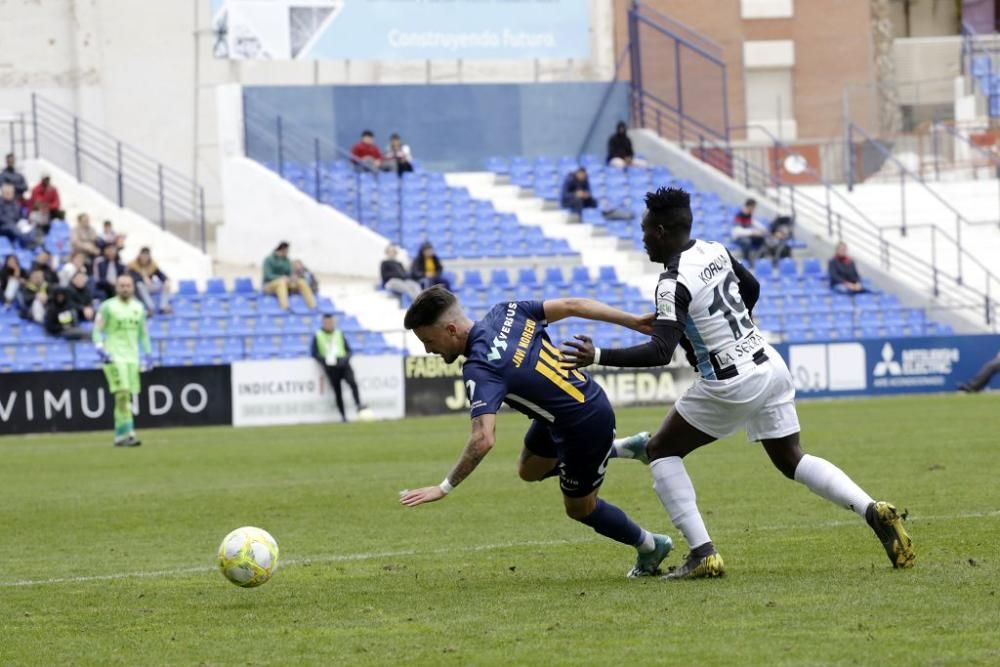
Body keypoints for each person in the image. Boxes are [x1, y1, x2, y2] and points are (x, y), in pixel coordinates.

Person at [558, 187, 915, 578]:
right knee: (791, 457)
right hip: (769, 364)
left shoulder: (671, 282)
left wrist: (598, 356)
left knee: (661, 451)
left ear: (660, 231)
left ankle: (703, 553)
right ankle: (871, 509)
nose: (641, 238)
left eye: (645, 230)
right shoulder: (715, 250)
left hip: (731, 380)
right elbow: (753, 289)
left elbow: (661, 351)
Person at [399, 285, 674, 579]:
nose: (429, 349)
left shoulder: (479, 367)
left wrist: (443, 487)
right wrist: (632, 321)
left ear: (451, 329)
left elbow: (483, 438)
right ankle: (624, 448)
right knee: (529, 470)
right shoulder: (505, 312)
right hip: (564, 412)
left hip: (586, 425)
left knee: (580, 509)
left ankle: (649, 546)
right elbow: (572, 303)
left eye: (428, 340)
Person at [92, 274, 152, 447]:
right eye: (122, 285)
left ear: (133, 287)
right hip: (114, 356)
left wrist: (148, 354)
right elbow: (97, 330)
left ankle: (120, 435)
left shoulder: (139, 308)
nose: (125, 288)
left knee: (125, 396)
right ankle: (129, 433)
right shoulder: (107, 307)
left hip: (133, 357)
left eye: (128, 285)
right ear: (116, 287)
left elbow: (143, 333)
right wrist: (100, 347)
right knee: (123, 393)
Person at [310, 313, 367, 423]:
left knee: (353, 383)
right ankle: (343, 416)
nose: (329, 324)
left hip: (344, 365)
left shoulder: (339, 333)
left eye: (331, 322)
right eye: (327, 322)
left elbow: (349, 350)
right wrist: (324, 361)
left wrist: (344, 359)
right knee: (338, 392)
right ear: (323, 323)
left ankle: (358, 405)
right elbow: (314, 353)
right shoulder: (318, 335)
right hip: (331, 368)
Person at [262, 241, 317, 310]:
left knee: (301, 282)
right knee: (281, 282)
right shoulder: (269, 260)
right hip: (269, 285)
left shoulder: (287, 260)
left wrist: (293, 278)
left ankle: (312, 305)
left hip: (285, 282)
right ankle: (284, 307)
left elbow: (290, 273)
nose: (287, 252)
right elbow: (268, 276)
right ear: (282, 249)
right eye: (286, 250)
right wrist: (281, 277)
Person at [128, 247, 173, 315]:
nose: (145, 257)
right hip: (138, 291)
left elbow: (160, 274)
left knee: (166, 284)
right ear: (140, 255)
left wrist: (166, 280)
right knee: (140, 284)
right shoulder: (133, 265)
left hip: (150, 286)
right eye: (143, 255)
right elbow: (132, 278)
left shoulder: (152, 264)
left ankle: (163, 307)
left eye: (147, 255)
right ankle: (150, 307)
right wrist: (143, 278)